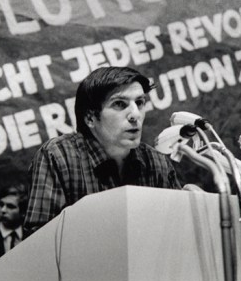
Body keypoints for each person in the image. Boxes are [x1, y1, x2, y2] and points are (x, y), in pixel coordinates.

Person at [24, 66, 181, 235]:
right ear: (90, 118)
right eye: (119, 104)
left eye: (139, 102)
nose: (135, 114)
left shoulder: (157, 162)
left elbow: (177, 233)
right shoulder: (58, 156)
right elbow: (40, 240)